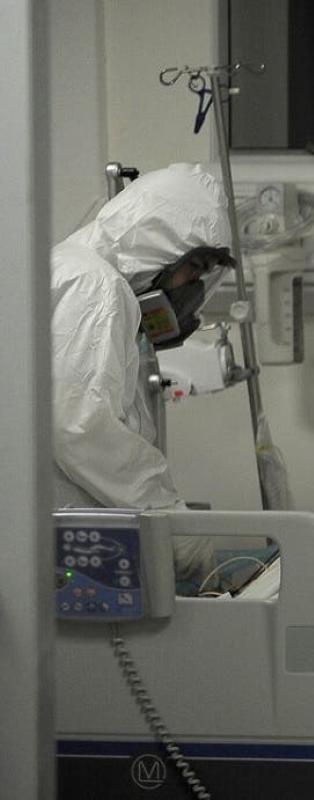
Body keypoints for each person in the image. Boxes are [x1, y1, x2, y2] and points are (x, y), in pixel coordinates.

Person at [51, 163, 235, 583]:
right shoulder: (96, 286)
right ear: (157, 241)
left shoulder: (77, 269)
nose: (192, 285)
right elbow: (81, 426)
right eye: (193, 268)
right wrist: (167, 518)